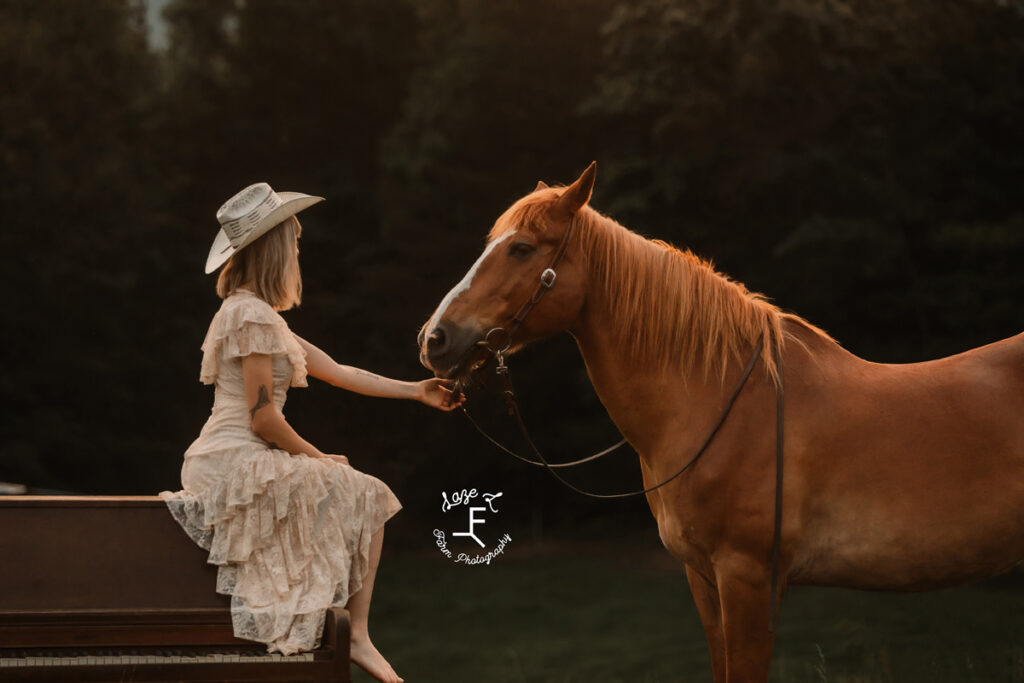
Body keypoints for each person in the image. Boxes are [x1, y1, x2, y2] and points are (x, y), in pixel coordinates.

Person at [160, 182, 462, 683]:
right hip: (233, 454)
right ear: (276, 248)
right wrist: (319, 457)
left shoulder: (259, 315)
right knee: (363, 493)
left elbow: (340, 370)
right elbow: (262, 419)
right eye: (295, 242)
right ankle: (357, 636)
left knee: (361, 494)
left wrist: (417, 391)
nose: (299, 251)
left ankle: (355, 634)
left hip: (246, 449)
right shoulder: (249, 315)